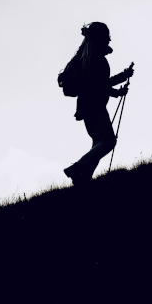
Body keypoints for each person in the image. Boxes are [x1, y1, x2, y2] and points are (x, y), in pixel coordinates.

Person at [63, 22, 134, 186]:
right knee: (109, 141)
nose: (109, 39)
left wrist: (117, 92)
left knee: (98, 142)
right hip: (94, 107)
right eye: (106, 35)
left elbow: (97, 85)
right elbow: (101, 85)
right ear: (100, 37)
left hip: (87, 106)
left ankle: (84, 179)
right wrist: (123, 76)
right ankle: (76, 168)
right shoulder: (95, 59)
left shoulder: (87, 58)